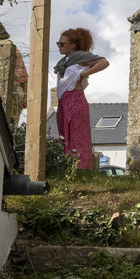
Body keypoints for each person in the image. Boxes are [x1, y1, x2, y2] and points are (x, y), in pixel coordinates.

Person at [53, 28, 108, 172]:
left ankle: (81, 170)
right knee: (64, 135)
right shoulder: (64, 61)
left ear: (73, 45)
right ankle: (68, 169)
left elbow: (103, 62)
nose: (59, 46)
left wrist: (84, 74)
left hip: (75, 99)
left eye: (62, 44)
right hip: (63, 101)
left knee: (77, 136)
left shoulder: (80, 57)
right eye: (58, 43)